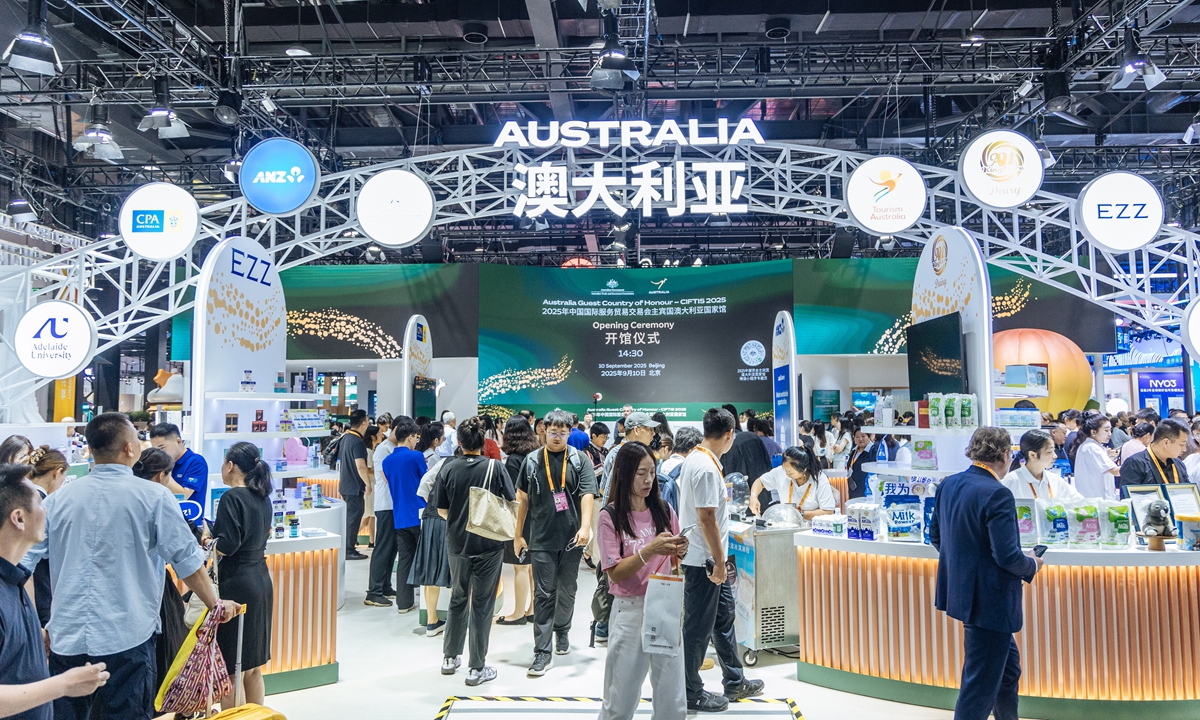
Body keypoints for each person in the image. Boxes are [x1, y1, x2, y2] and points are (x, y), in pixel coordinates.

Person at [24, 412, 237, 720]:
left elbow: (23, 563)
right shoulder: (154, 498)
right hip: (127, 638)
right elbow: (187, 561)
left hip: (66, 637)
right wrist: (214, 603)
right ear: (128, 448)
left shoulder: (59, 500)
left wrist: (34, 625)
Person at [929, 427, 1042, 720]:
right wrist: (1032, 564)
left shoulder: (949, 484)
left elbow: (937, 538)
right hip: (991, 601)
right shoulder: (997, 494)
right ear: (1006, 455)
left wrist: (967, 567)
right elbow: (1007, 557)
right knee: (979, 685)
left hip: (965, 594)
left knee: (1007, 671)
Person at [0, 463, 109, 720]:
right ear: (18, 518)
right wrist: (62, 685)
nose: (45, 510)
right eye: (39, 503)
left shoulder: (14, 579)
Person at [679, 407, 764, 712]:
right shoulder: (703, 466)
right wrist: (717, 562)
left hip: (713, 559)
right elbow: (706, 518)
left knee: (723, 617)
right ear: (729, 434)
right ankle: (691, 691)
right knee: (698, 627)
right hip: (704, 560)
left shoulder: (700, 460)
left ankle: (734, 680)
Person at [596, 442, 689, 720]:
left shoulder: (663, 509)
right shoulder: (609, 517)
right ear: (624, 474)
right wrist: (648, 551)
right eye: (641, 473)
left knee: (671, 696)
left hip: (664, 606)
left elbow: (674, 559)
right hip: (630, 609)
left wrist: (678, 551)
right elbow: (615, 572)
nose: (649, 480)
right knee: (620, 697)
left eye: (652, 472)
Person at [513, 410, 597, 677]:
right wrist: (517, 534)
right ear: (543, 430)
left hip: (573, 539)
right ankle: (542, 650)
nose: (558, 436)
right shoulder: (532, 461)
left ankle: (562, 631)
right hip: (540, 538)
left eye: (563, 432)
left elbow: (586, 495)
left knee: (567, 589)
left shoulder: (579, 459)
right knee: (544, 593)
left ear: (570, 432)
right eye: (553, 432)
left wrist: (585, 526)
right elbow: (521, 500)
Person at [434, 417, 515, 687]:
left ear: (458, 442)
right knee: (482, 605)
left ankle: (449, 657)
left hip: (456, 543)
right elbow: (510, 502)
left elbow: (442, 509)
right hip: (489, 545)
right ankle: (476, 667)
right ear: (484, 442)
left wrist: (460, 523)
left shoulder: (448, 467)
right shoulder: (495, 466)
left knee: (457, 598)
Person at [209, 442, 274, 708]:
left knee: (232, 667)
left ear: (231, 466)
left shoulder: (231, 498)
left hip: (236, 583)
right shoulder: (263, 497)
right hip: (260, 579)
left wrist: (209, 542)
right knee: (253, 666)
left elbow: (228, 544)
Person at [130, 448, 190, 695]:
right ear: (160, 476)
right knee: (165, 651)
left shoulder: (124, 495)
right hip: (155, 588)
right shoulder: (159, 498)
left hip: (123, 590)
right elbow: (184, 555)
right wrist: (212, 600)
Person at [379, 420, 427, 612]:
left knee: (405, 560)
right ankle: (427, 604)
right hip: (419, 514)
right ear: (410, 437)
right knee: (426, 558)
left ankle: (404, 603)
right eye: (416, 437)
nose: (416, 441)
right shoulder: (416, 456)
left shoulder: (386, 461)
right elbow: (426, 482)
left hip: (400, 517)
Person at [497, 416, 538, 627]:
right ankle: (531, 609)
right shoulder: (533, 456)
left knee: (520, 566)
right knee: (529, 565)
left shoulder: (513, 460)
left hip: (520, 518)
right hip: (536, 517)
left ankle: (518, 613)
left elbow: (515, 494)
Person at [411, 449, 455, 637]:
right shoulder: (477, 465)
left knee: (431, 570)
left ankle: (431, 622)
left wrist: (434, 503)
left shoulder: (445, 462)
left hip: (431, 520)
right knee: (456, 573)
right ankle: (455, 623)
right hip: (453, 522)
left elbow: (423, 484)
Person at [25, 447, 68, 627]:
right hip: (38, 591)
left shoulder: (16, 496)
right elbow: (28, 559)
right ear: (57, 473)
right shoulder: (44, 505)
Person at [748, 446, 836, 519]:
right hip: (786, 526)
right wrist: (753, 497)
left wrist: (798, 514)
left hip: (811, 529)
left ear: (804, 469)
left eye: (790, 472)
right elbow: (760, 482)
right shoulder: (781, 473)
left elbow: (828, 511)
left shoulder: (819, 479)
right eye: (785, 470)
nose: (787, 474)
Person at [367, 420, 401, 605]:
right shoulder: (383, 449)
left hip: (394, 504)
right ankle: (374, 590)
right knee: (383, 546)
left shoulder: (394, 448)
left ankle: (385, 585)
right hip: (385, 504)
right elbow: (385, 476)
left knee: (392, 547)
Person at [148, 423, 209, 525]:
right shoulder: (163, 463)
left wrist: (165, 469)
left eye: (162, 448)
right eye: (155, 450)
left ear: (178, 441)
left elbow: (183, 495)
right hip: (163, 522)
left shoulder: (196, 462)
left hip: (189, 525)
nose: (158, 454)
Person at [1002, 430, 1083, 502]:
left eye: (1054, 450)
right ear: (1033, 455)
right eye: (1049, 451)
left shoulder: (1055, 480)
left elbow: (1079, 501)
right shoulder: (1011, 481)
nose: (1055, 456)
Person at [1119, 418, 1191, 488]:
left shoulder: (1178, 463)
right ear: (1166, 443)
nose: (1184, 449)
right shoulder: (1135, 463)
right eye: (1181, 444)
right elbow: (1129, 497)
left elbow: (1188, 492)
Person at [338, 409, 371, 560]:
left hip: (345, 485)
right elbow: (360, 466)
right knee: (353, 518)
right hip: (354, 487)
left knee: (350, 518)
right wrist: (368, 484)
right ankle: (349, 550)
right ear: (363, 422)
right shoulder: (357, 442)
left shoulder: (345, 438)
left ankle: (348, 547)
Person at [719, 404, 773, 486]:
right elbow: (767, 466)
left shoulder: (726, 444)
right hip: (760, 489)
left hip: (737, 491)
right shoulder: (753, 438)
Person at [1070, 415, 1120, 498]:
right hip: (1096, 501)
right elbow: (1115, 471)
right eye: (1106, 430)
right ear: (1093, 432)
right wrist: (1132, 464)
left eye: (1110, 430)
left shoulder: (1090, 446)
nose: (1110, 434)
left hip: (1094, 499)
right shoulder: (1093, 448)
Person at [361, 424, 382, 549]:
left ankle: (372, 541)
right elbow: (367, 469)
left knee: (371, 515)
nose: (382, 435)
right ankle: (350, 538)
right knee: (368, 514)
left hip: (372, 485)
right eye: (379, 433)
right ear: (373, 436)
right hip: (371, 485)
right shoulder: (368, 451)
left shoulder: (372, 450)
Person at [846, 427, 871, 499]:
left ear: (869, 437)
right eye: (857, 437)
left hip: (866, 488)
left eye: (863, 436)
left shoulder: (873, 451)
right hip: (853, 487)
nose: (860, 439)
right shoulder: (854, 450)